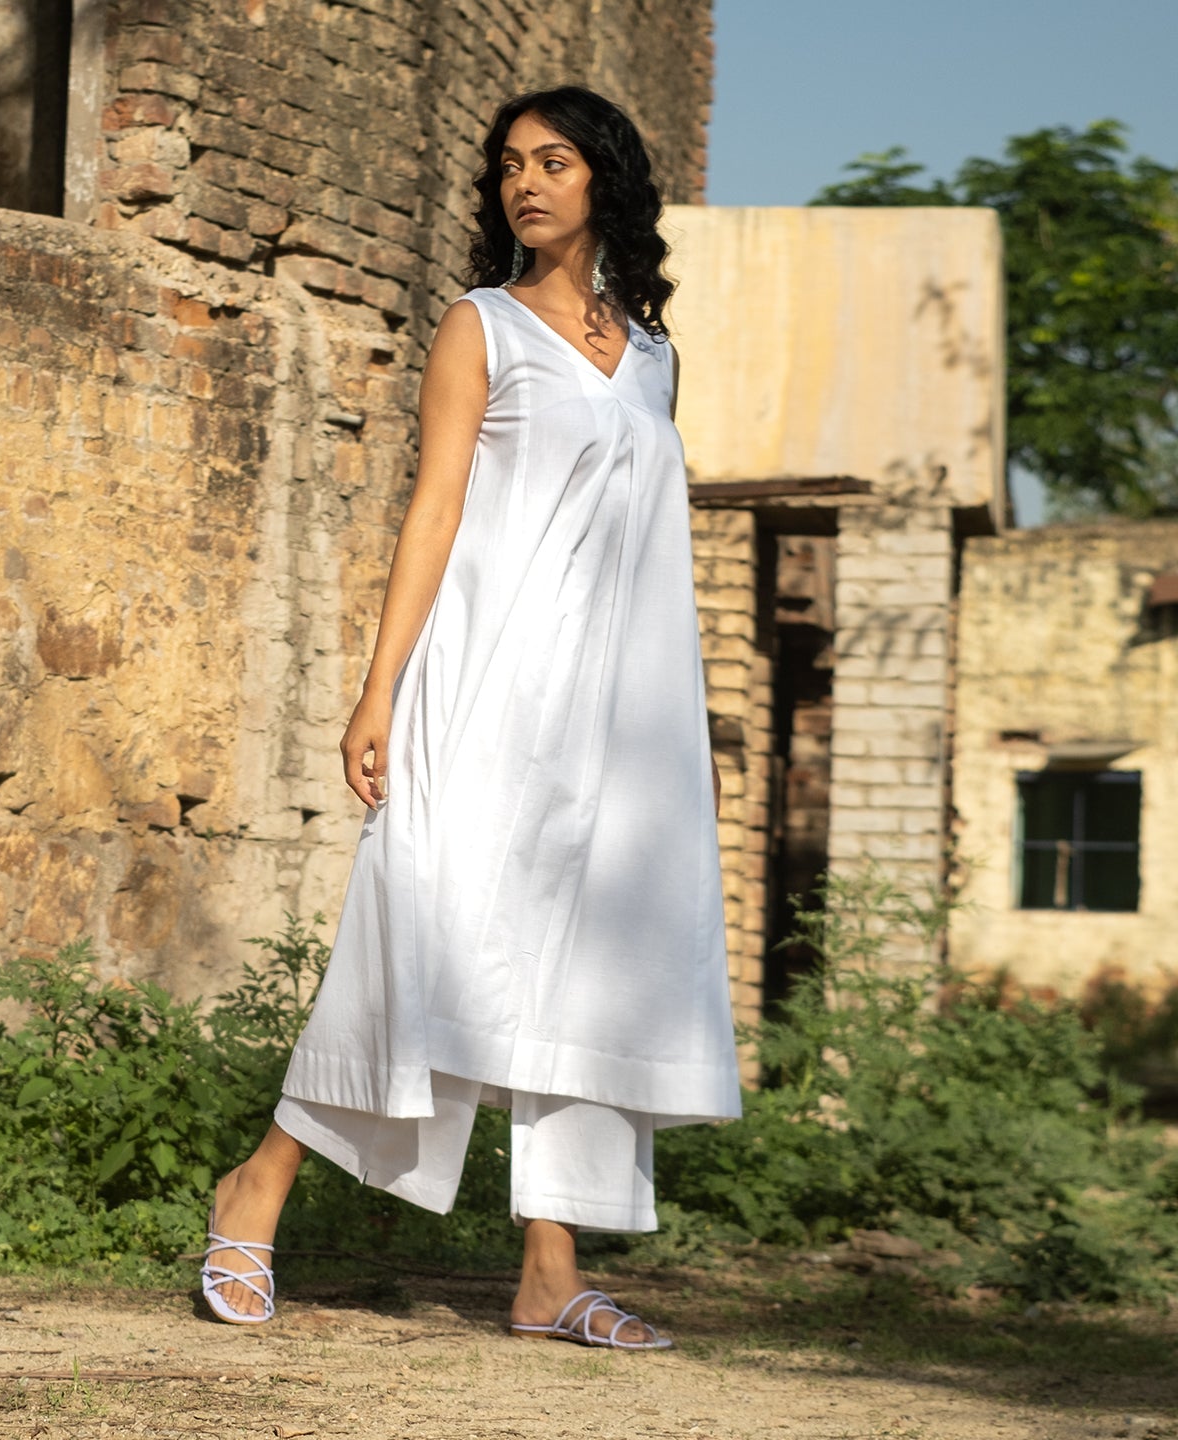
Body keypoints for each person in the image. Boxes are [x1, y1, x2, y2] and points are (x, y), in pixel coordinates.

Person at [201, 86, 741, 1351]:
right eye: (509, 167)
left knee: (588, 967)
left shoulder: (653, 355)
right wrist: (378, 686)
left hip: (619, 718)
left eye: (554, 162)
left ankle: (550, 1271)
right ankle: (257, 1187)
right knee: (421, 936)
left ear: (605, 180)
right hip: (486, 685)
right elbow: (436, 509)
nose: (526, 184)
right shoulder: (479, 326)